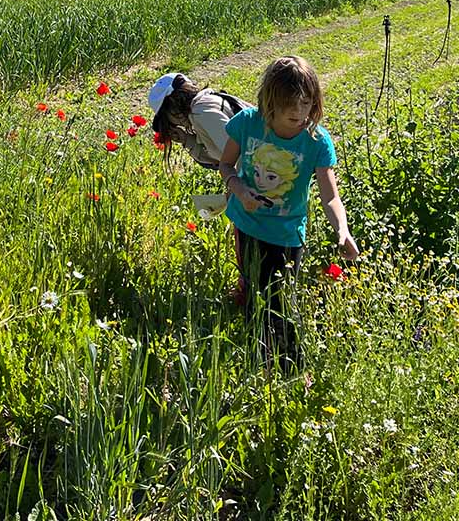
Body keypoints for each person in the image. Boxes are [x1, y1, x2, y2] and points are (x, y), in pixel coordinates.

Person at [218, 55, 359, 370]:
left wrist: (342, 229)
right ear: (270, 104)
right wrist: (239, 190)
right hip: (246, 223)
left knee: (281, 303)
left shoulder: (316, 141)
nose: (299, 117)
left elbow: (330, 195)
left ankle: (293, 369)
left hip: (286, 235)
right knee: (254, 292)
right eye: (290, 113)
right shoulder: (247, 123)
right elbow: (225, 165)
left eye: (307, 107)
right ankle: (260, 361)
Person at [149, 72, 251, 216]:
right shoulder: (203, 105)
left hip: (269, 177)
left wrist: (238, 194)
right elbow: (223, 157)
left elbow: (244, 156)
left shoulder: (201, 112)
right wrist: (186, 139)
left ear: (172, 106)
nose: (172, 123)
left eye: (167, 118)